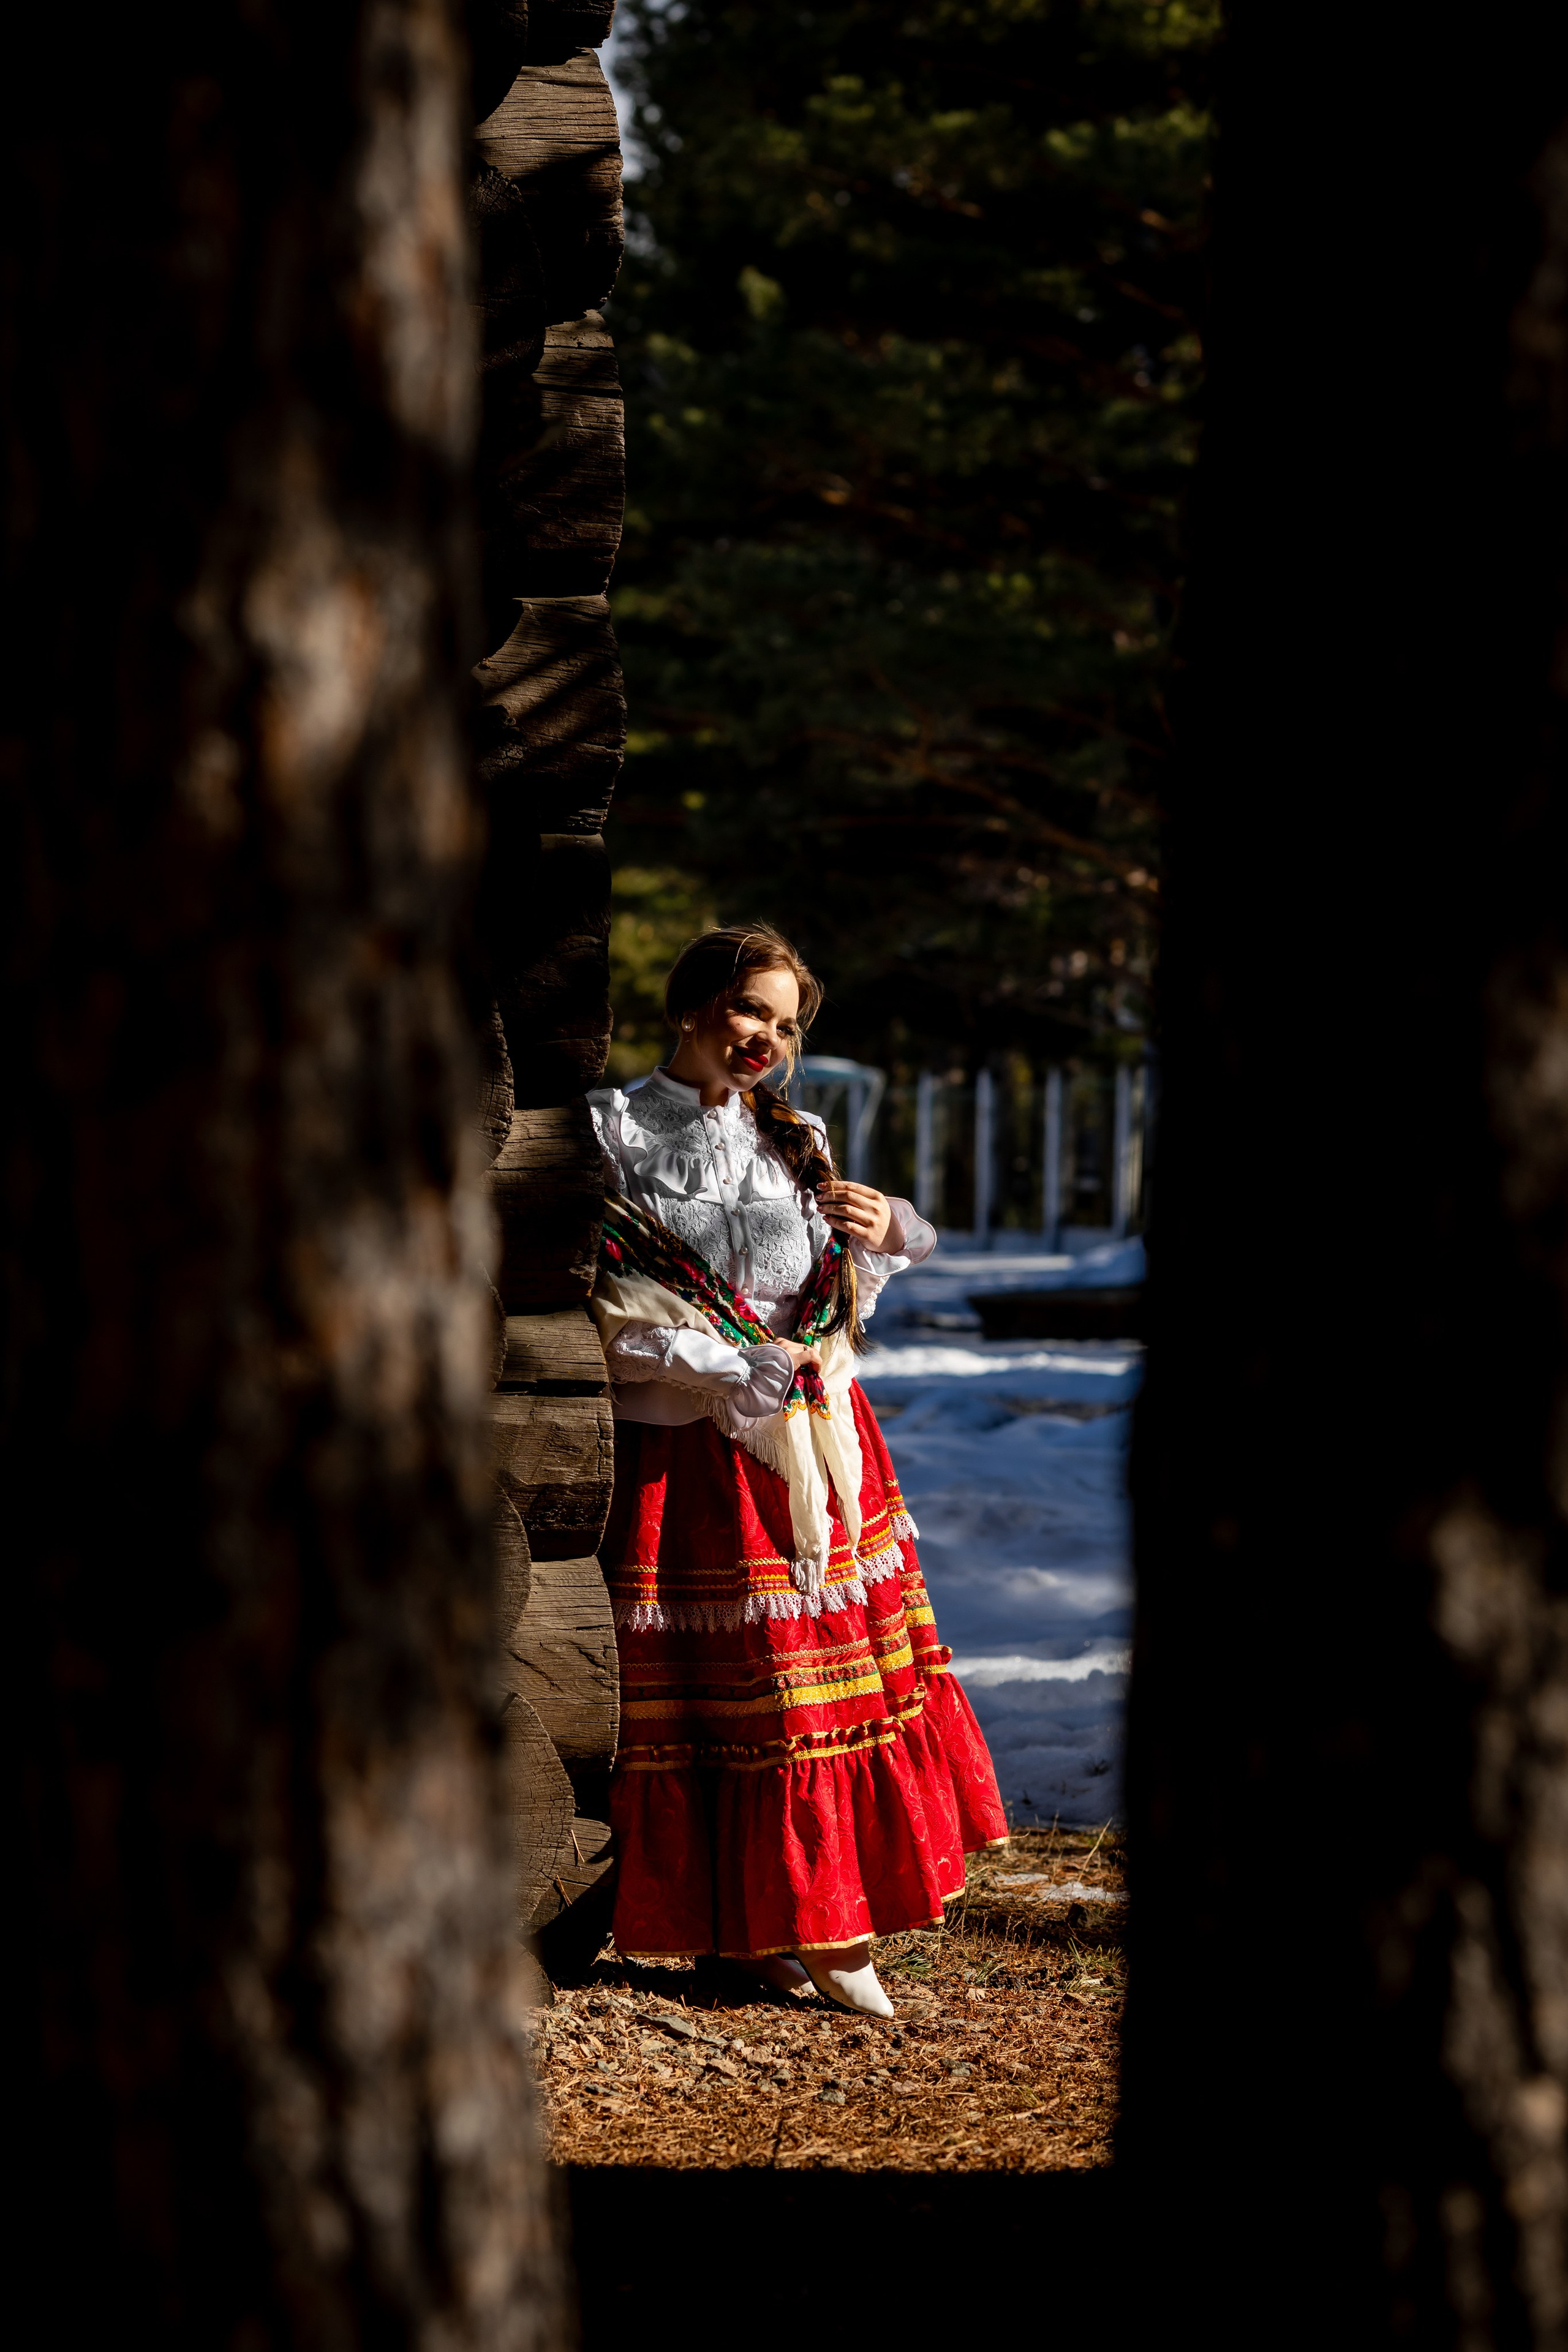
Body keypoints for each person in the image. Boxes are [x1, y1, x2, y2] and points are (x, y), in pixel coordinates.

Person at [586, 924, 1007, 2018]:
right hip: (693, 1448)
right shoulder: (612, 1135)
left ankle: (820, 1916)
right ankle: (771, 1930)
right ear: (689, 1007)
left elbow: (828, 1292)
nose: (767, 1038)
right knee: (754, 1694)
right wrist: (725, 1370)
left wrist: (887, 1230)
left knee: (827, 1685)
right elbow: (604, 1311)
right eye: (749, 1013)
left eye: (785, 1024)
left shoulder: (798, 1135)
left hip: (818, 1446)